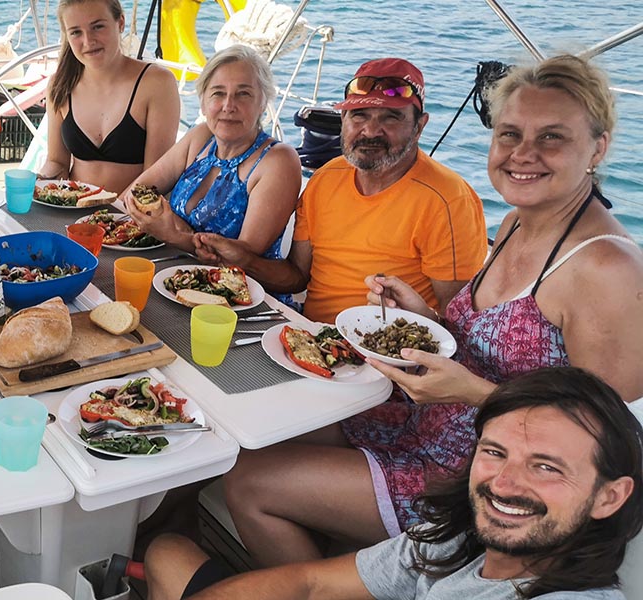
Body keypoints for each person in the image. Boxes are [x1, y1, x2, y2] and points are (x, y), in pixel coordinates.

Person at [222, 54, 643, 569]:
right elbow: (478, 338)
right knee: (252, 427)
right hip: (418, 421)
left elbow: (608, 437)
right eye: (509, 134)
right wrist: (422, 315)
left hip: (473, 480)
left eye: (552, 137)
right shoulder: (517, 223)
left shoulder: (607, 266)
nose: (523, 154)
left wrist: (469, 391)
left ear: (597, 147)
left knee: (246, 483)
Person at [144, 367, 643, 600]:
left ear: (609, 496)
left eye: (547, 467)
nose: (505, 483)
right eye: (494, 453)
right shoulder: (456, 536)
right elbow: (311, 582)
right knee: (165, 551)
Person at [193, 57, 487, 322]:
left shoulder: (448, 198)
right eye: (359, 115)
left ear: (419, 126)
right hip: (308, 336)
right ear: (343, 120)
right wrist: (242, 259)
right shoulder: (326, 179)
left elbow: (458, 324)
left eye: (390, 117)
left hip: (388, 358)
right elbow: (296, 277)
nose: (371, 131)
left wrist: (416, 321)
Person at [121, 45, 302, 273]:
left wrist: (174, 234)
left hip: (242, 295)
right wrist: (176, 233)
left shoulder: (277, 161)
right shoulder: (202, 137)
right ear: (204, 101)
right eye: (218, 93)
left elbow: (245, 257)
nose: (228, 106)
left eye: (243, 94)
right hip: (173, 273)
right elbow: (135, 192)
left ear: (263, 103)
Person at [38, 0, 179, 194]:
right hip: (72, 213)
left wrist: (113, 215)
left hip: (133, 216)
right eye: (76, 32)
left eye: (97, 27)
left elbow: (157, 175)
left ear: (120, 23)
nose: (88, 41)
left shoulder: (157, 83)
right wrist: (40, 180)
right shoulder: (60, 84)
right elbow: (57, 162)